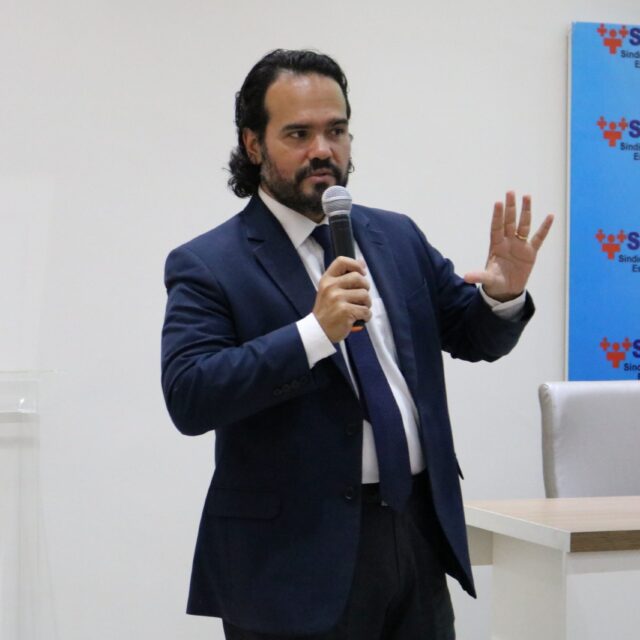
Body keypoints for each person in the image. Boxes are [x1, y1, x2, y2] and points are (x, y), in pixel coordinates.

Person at [161, 49, 553, 640]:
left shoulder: (395, 236)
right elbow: (191, 395)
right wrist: (313, 334)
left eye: (336, 130)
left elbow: (472, 336)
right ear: (253, 144)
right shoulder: (210, 263)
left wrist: (502, 296)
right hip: (291, 560)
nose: (323, 149)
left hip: (415, 532)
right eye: (298, 134)